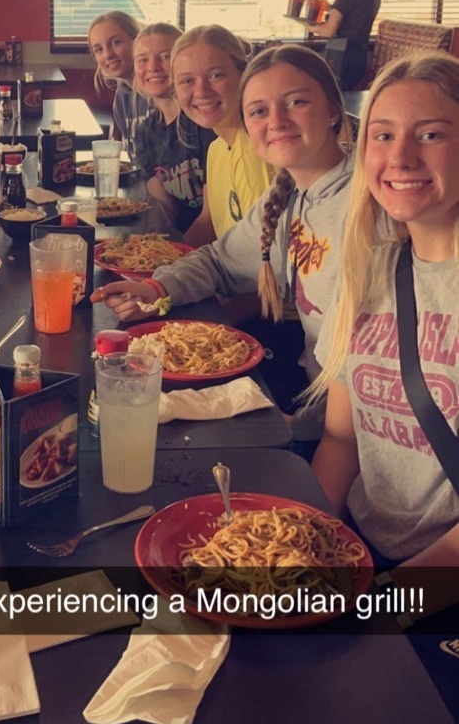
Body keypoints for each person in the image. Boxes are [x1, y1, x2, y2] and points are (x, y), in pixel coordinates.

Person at [92, 44, 353, 443]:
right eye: (259, 111)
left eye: (296, 102)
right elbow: (220, 261)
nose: (277, 121)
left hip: (342, 426)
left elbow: (367, 367)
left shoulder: (364, 203)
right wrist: (156, 288)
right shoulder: (288, 192)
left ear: (333, 110)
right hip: (313, 396)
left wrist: (300, 427)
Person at [308, 53, 459, 714]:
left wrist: (378, 611)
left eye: (431, 134)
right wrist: (303, 551)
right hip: (365, 557)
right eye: (383, 134)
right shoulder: (370, 270)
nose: (400, 157)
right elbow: (342, 440)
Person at [170, 26, 273, 246]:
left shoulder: (258, 149)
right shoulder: (216, 149)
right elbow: (208, 224)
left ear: (244, 75)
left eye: (215, 75)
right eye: (187, 81)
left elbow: (263, 252)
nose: (201, 91)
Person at [132, 22, 215, 234]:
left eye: (165, 56)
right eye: (142, 60)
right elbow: (164, 209)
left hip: (212, 245)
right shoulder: (144, 133)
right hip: (178, 240)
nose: (152, 67)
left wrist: (173, 252)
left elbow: (211, 219)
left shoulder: (206, 122)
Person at [88, 10, 149, 161]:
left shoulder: (158, 91)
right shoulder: (122, 96)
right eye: (99, 50)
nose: (108, 54)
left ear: (137, 41)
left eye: (116, 42)